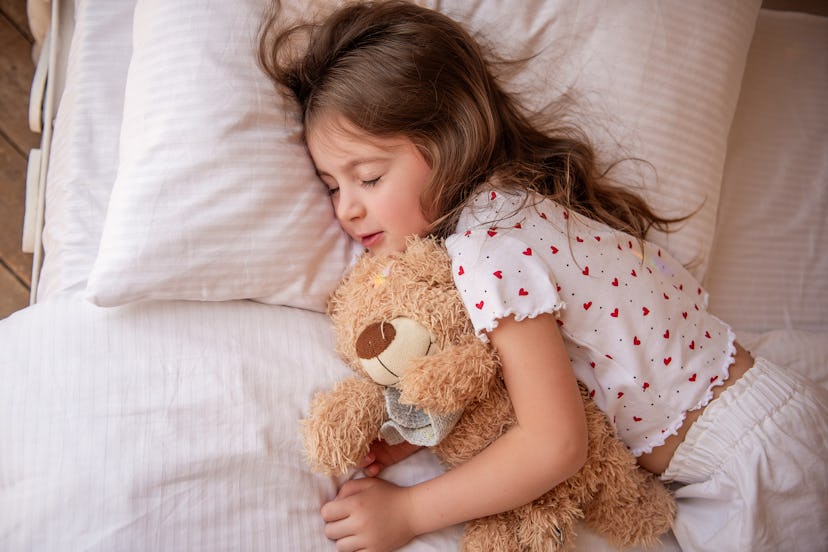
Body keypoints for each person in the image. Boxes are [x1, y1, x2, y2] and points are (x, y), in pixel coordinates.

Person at [258, 2, 828, 551]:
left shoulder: (490, 250)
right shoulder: (509, 210)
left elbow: (554, 444)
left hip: (753, 460)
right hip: (753, 440)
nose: (346, 210)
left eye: (369, 177)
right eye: (334, 186)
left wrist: (408, 512)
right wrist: (420, 432)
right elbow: (524, 384)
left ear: (446, 138)